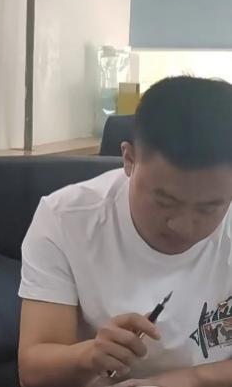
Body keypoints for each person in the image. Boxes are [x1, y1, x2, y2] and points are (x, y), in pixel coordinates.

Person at [18, 76, 232, 387]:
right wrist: (89, 355)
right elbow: (33, 372)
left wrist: (184, 380)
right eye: (165, 202)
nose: (184, 227)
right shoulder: (66, 219)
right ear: (129, 159)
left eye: (209, 207)